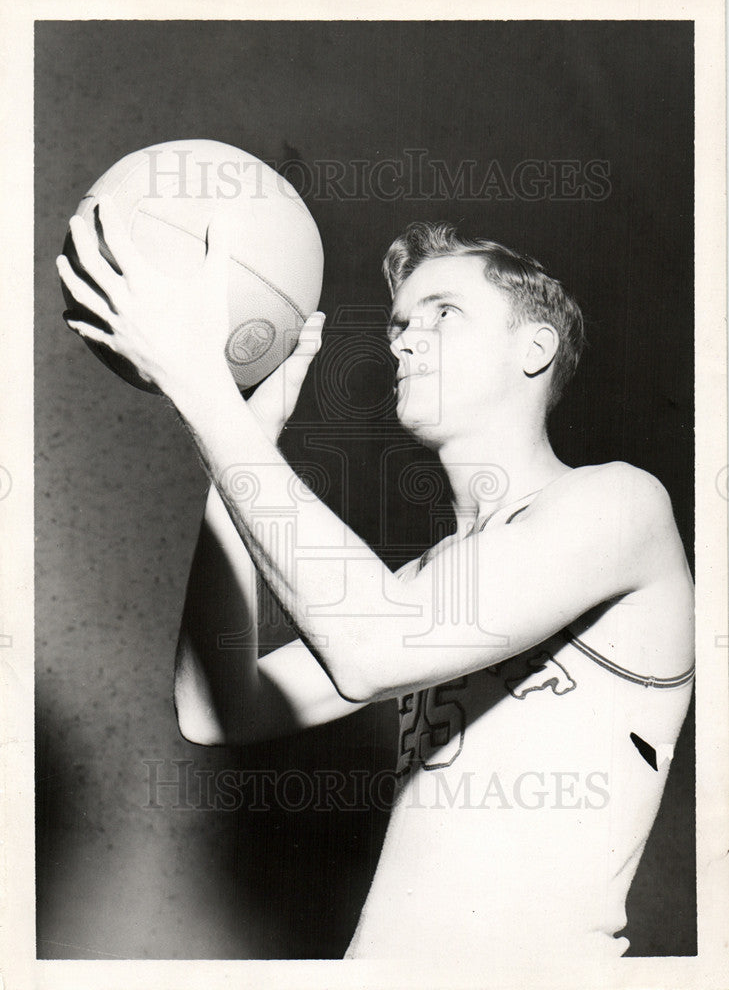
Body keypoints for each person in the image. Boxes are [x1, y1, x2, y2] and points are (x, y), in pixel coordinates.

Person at [57, 206, 694, 964]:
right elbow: (214, 710)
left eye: (444, 313)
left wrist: (202, 388)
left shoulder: (619, 504)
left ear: (534, 347)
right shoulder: (427, 585)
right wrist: (242, 440)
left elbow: (374, 648)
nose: (405, 339)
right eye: (398, 325)